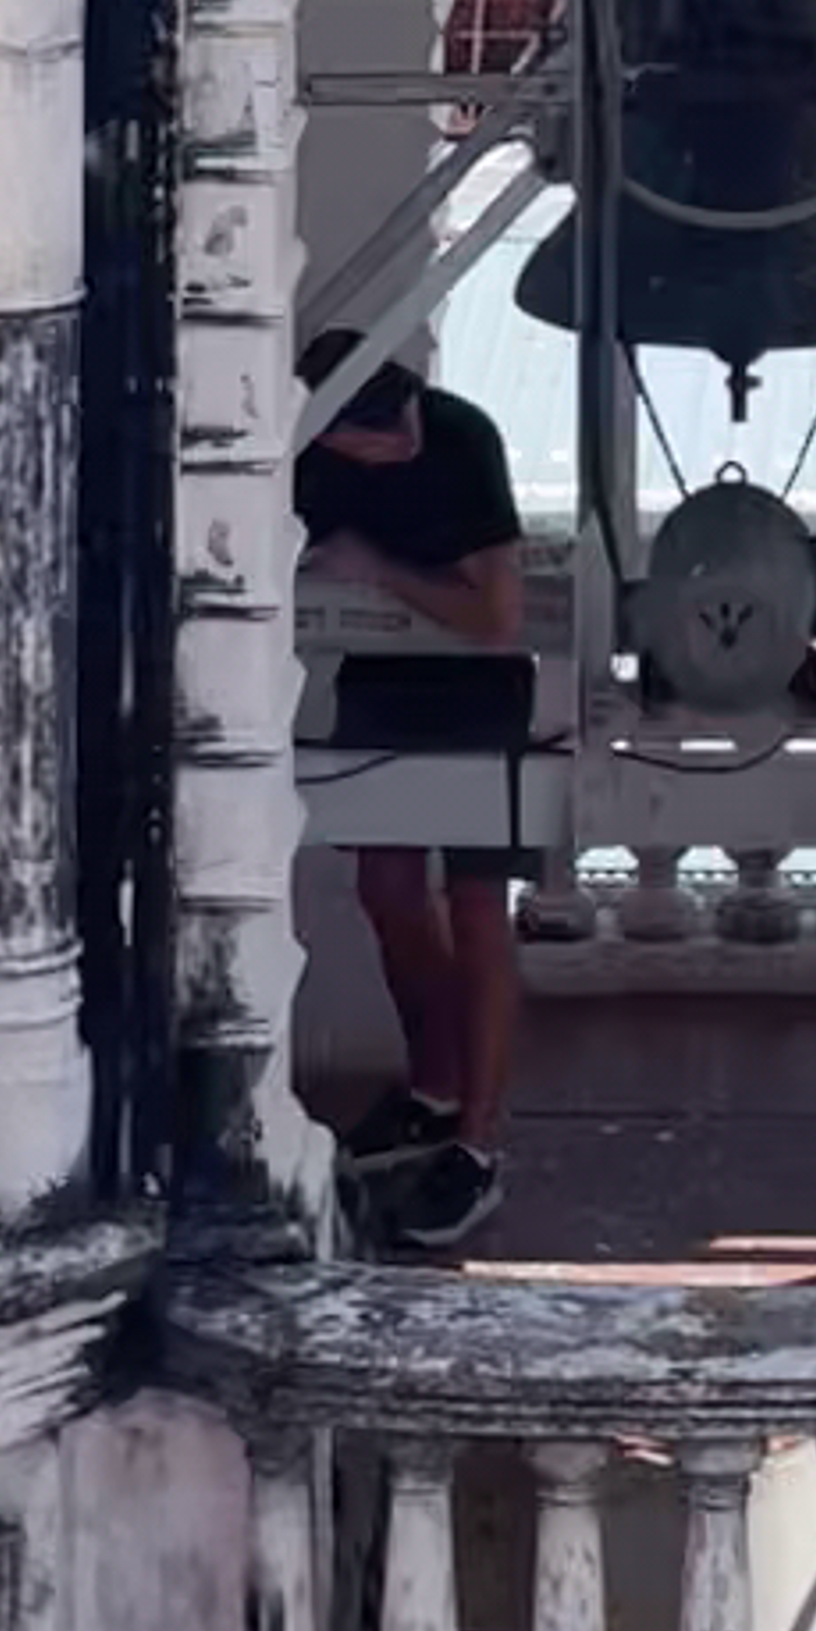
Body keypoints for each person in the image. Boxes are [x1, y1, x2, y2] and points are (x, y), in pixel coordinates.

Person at [294, 333, 532, 1255]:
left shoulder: (464, 436)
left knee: (478, 908)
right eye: (376, 438)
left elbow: (496, 617)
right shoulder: (303, 458)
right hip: (382, 688)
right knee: (386, 891)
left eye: (403, 425)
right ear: (327, 433)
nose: (400, 444)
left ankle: (475, 1143)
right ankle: (434, 1086)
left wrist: (377, 568)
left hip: (480, 695)